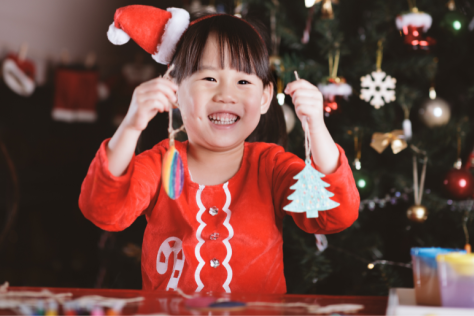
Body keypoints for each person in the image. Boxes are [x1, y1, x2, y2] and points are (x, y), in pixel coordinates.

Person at [79, 6, 359, 294]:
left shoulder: (272, 167)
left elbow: (334, 215)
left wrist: (317, 127)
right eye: (209, 78)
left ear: (264, 98)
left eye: (243, 81)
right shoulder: (160, 164)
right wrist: (131, 125)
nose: (226, 95)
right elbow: (104, 210)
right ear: (174, 90)